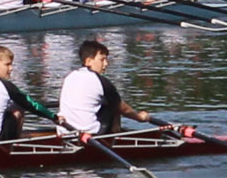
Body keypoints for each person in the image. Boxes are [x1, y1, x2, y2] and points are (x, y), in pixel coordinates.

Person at [56, 40, 192, 136]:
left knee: (107, 102)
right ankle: (114, 137)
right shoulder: (101, 81)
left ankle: (115, 133)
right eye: (102, 60)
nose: (106, 64)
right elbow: (123, 108)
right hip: (91, 134)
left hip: (66, 131)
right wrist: (140, 117)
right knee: (114, 104)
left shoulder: (70, 76)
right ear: (88, 61)